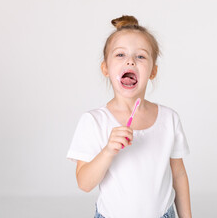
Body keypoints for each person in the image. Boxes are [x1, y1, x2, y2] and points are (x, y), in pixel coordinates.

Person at [66, 15, 192, 218]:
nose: (131, 61)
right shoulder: (94, 122)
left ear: (153, 71)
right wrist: (108, 151)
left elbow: (178, 174)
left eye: (141, 57)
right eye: (120, 55)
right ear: (105, 68)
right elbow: (84, 183)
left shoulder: (169, 119)